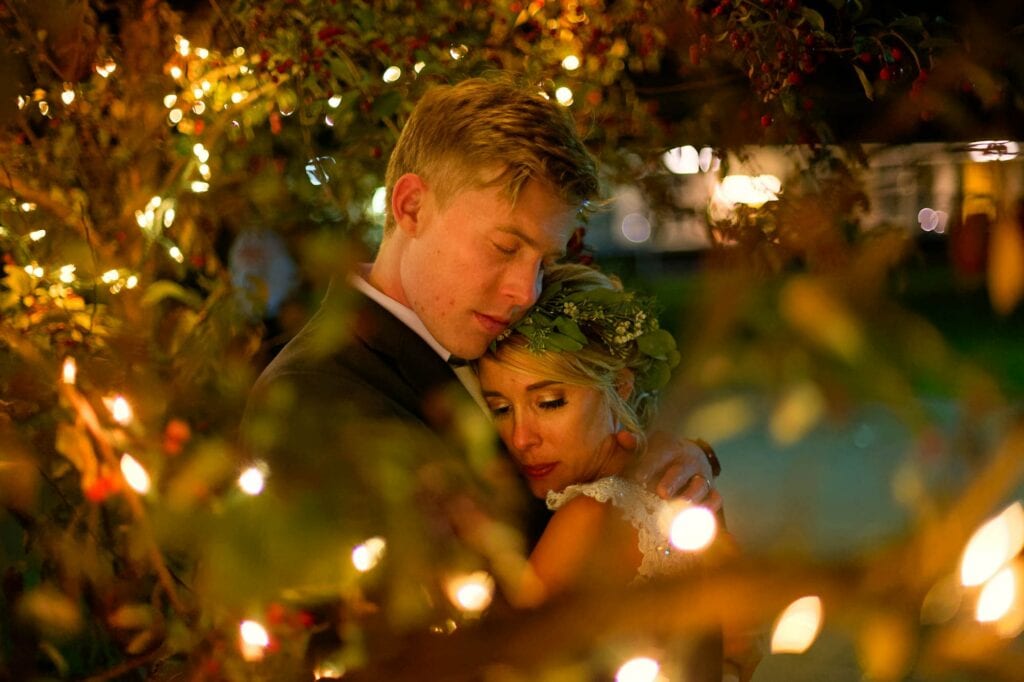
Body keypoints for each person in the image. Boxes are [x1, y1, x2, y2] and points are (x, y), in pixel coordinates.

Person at [241, 74, 721, 671]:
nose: (526, 290)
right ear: (411, 206)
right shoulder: (314, 399)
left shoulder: (486, 329)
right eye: (504, 247)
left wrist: (663, 461)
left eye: (544, 261)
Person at [476, 263, 760, 681]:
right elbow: (740, 649)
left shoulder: (589, 515)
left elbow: (487, 667)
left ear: (620, 387)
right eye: (500, 408)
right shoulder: (682, 497)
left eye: (550, 401)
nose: (520, 437)